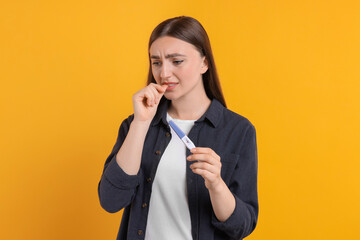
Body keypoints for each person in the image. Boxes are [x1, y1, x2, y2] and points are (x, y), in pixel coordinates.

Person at [98, 16, 258, 240]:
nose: (164, 73)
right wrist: (141, 124)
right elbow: (111, 200)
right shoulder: (136, 125)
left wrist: (216, 185)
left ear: (204, 62)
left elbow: (242, 227)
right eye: (156, 62)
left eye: (177, 61)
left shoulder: (238, 130)